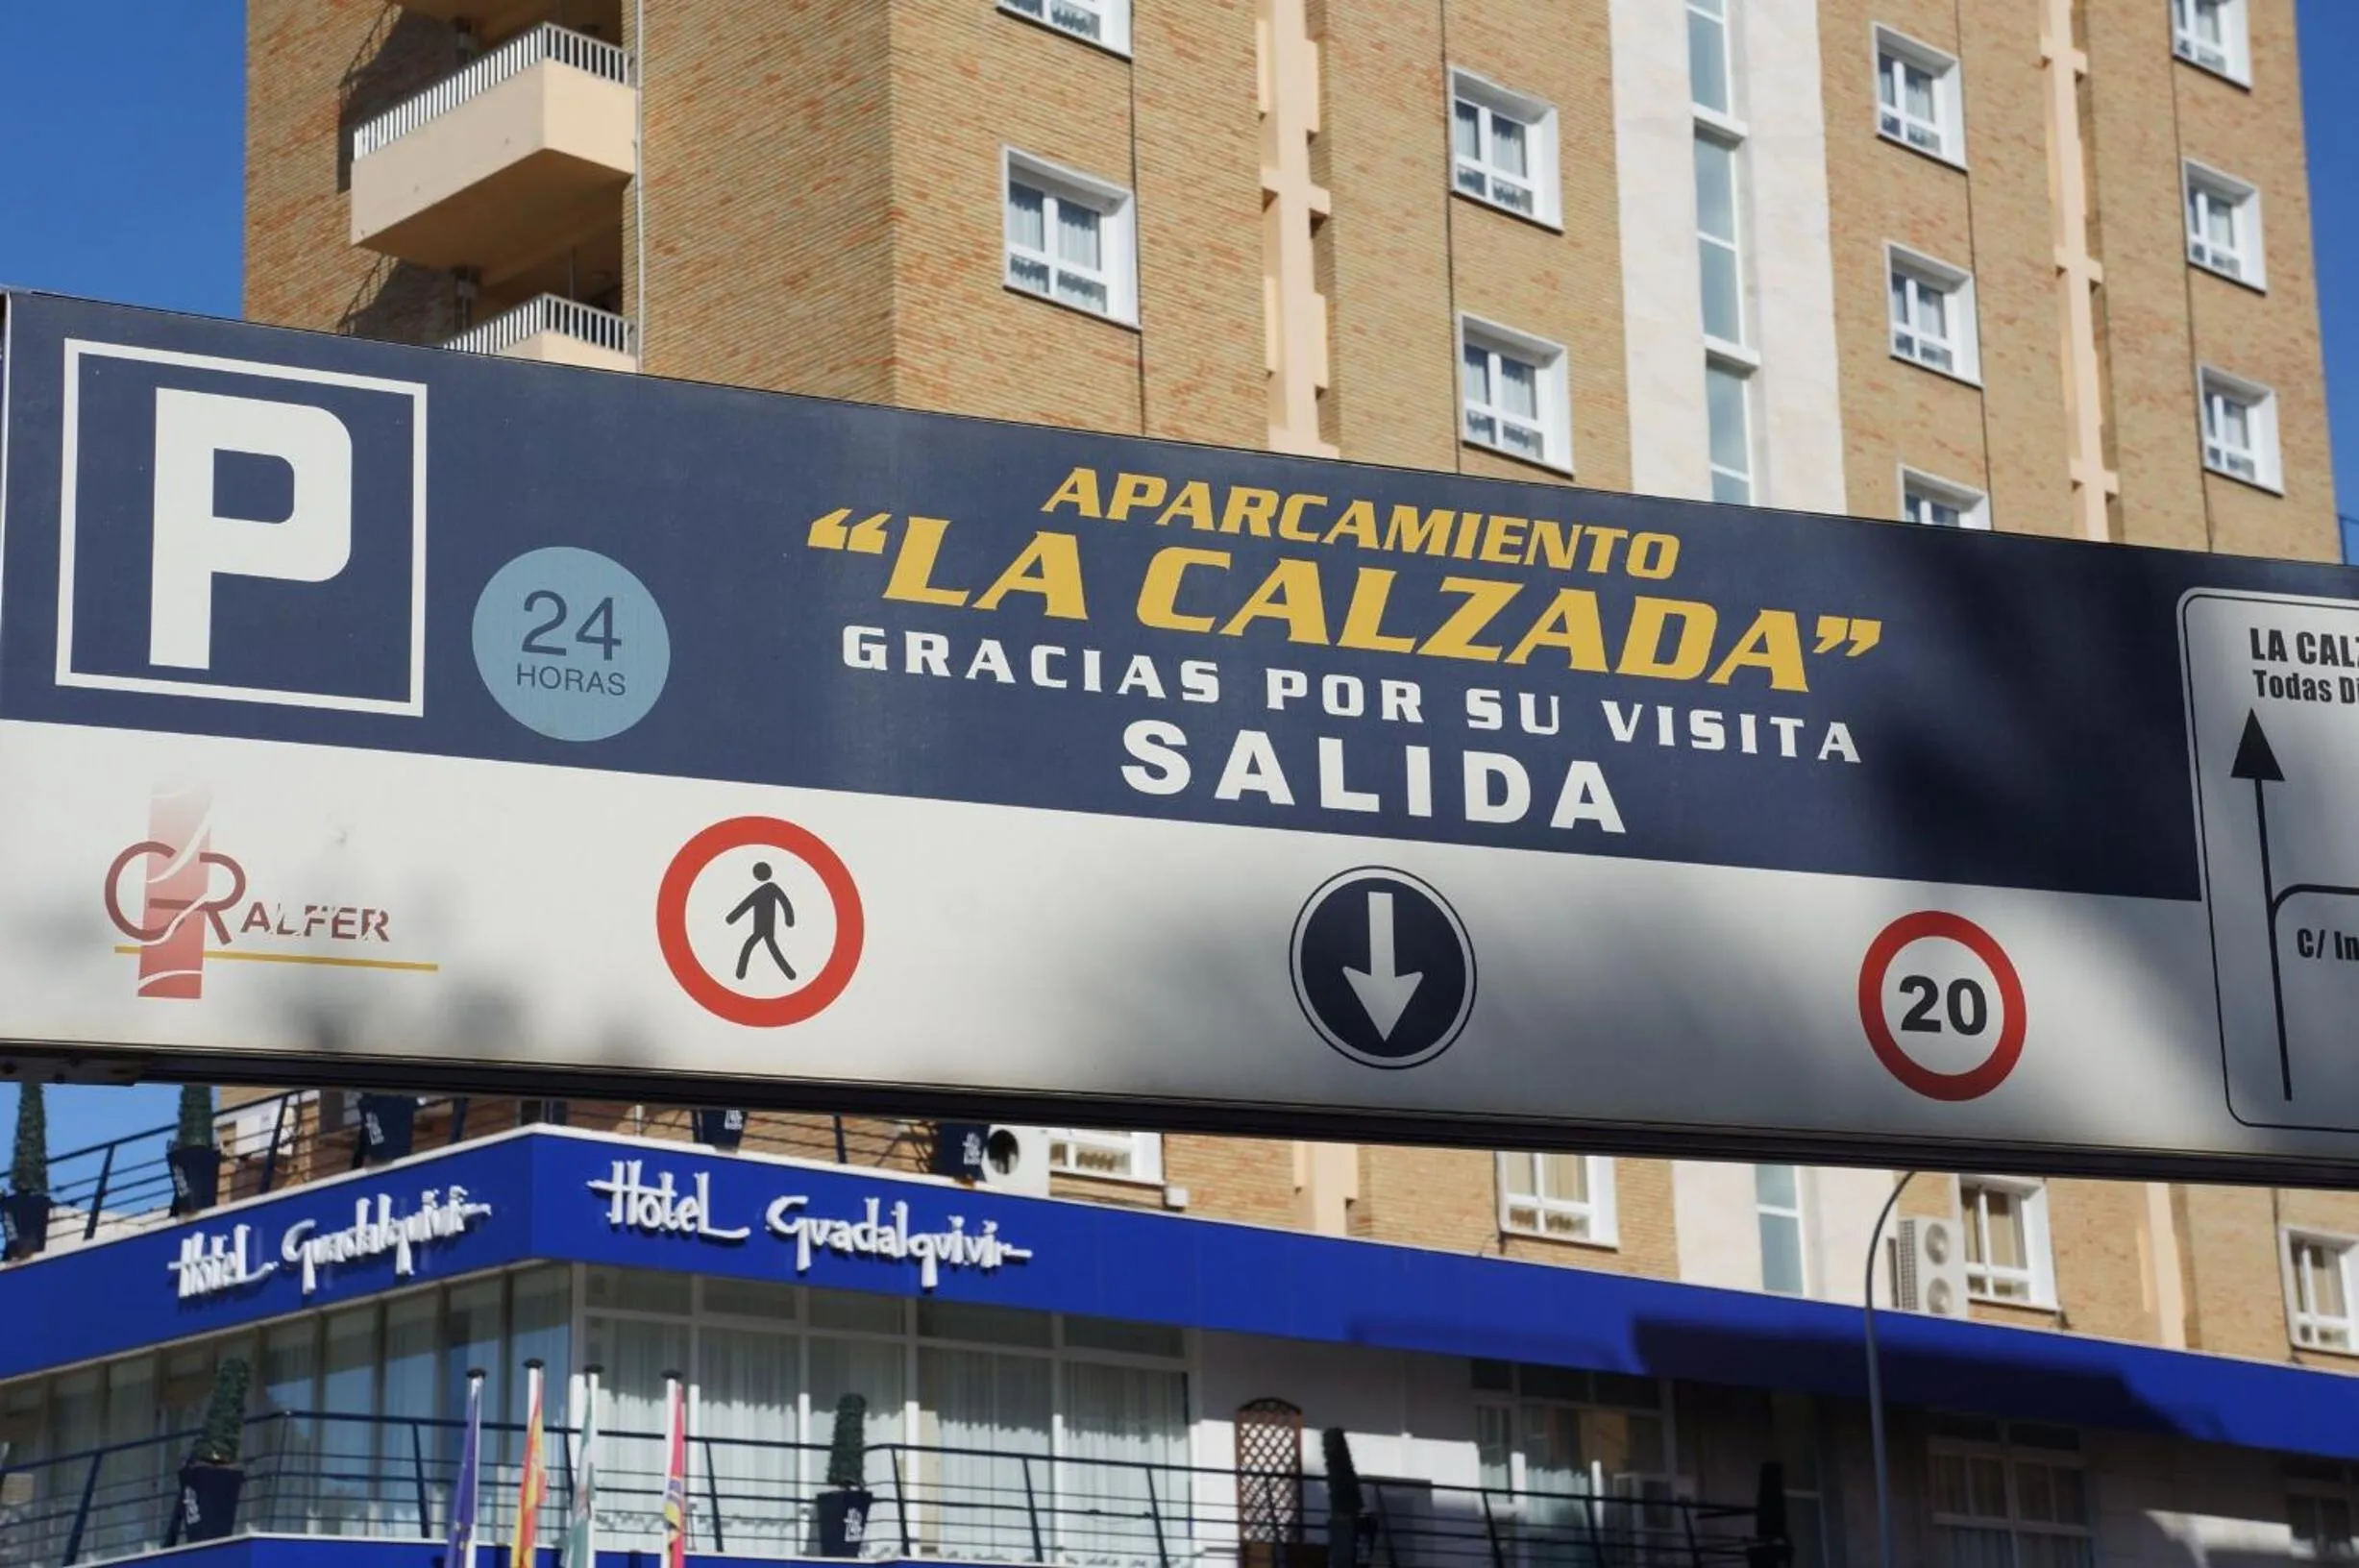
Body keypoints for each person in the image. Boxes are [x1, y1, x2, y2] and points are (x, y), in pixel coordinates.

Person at [727, 862, 796, 982]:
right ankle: (790, 974)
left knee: (755, 945)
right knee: (765, 946)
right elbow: (746, 904)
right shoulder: (769, 889)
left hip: (764, 927)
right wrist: (732, 918)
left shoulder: (769, 889)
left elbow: (746, 904)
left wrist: (732, 918)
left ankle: (740, 973)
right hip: (761, 927)